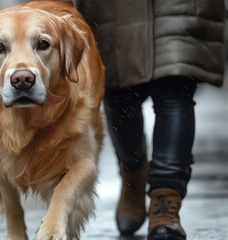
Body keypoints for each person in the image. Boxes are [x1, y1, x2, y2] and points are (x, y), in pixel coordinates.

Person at [54, 0, 225, 239]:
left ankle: (166, 202)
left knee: (176, 90)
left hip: (179, 7)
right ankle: (133, 173)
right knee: (118, 94)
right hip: (111, 9)